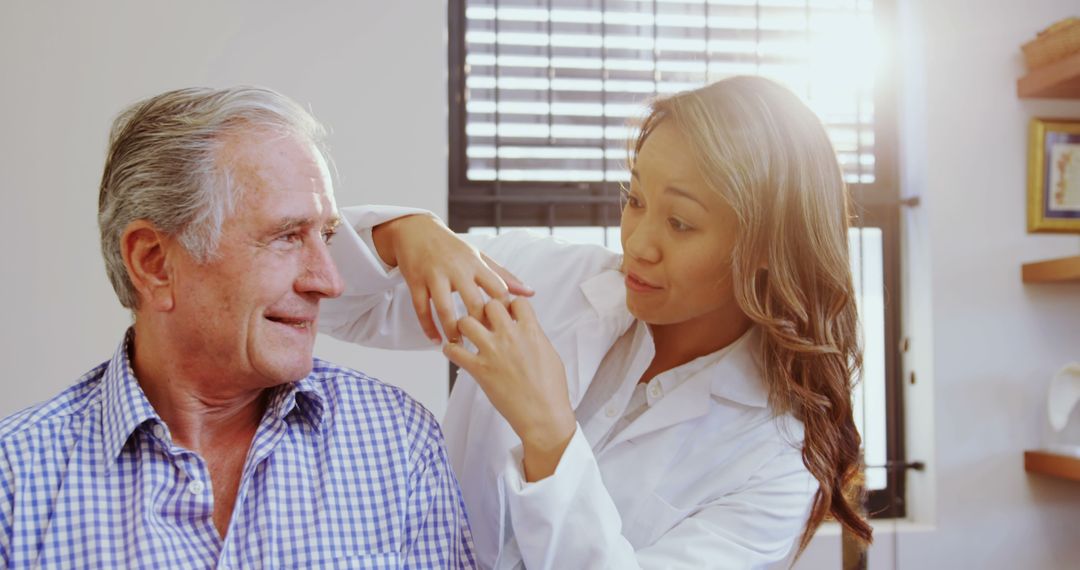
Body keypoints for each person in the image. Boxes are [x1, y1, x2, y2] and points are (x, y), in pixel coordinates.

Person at [320, 75, 872, 568]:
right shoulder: (544, 280)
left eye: (680, 222)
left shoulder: (774, 460)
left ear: (765, 249)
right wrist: (404, 234)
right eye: (634, 198)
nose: (637, 243)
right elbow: (331, 300)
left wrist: (549, 431)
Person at [0, 87, 475, 569]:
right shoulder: (15, 484)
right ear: (154, 263)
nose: (329, 282)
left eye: (326, 236)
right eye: (287, 237)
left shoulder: (398, 440)